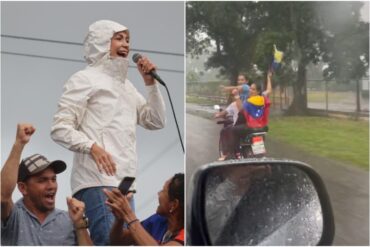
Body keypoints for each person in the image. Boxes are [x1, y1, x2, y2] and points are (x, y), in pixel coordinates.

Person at [50, 20, 166, 245]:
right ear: (102, 42)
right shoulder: (84, 78)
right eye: (119, 38)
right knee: (108, 243)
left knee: (120, 243)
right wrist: (92, 147)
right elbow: (60, 127)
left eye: (128, 40)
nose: (126, 45)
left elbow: (156, 121)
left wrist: (150, 84)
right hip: (96, 181)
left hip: (124, 183)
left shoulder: (127, 86)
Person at [1, 123, 92, 246]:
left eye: (53, 179)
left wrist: (80, 224)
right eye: (42, 180)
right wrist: (19, 144)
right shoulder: (15, 216)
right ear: (23, 188)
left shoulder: (70, 220)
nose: (51, 186)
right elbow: (2, 196)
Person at [105, 173, 184, 245]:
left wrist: (128, 214)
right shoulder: (156, 221)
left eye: (163, 191)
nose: (158, 193)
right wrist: (120, 219)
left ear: (174, 205)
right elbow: (118, 241)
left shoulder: (187, 234)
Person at [222, 71, 272, 159]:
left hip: (250, 126)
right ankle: (258, 154)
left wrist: (237, 97)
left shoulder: (249, 101)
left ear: (258, 91)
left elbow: (241, 110)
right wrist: (269, 78)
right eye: (250, 88)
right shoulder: (263, 97)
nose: (250, 90)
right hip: (262, 127)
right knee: (259, 154)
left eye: (253, 89)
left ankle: (235, 154)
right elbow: (269, 90)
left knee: (233, 130)